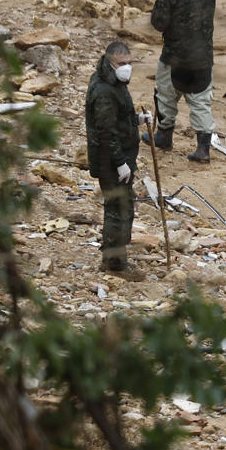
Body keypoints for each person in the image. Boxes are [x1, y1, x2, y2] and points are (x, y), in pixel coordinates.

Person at [149, 0, 217, 163]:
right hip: (203, 57)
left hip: (175, 57)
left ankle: (163, 136)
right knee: (200, 101)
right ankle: (203, 149)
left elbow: (159, 23)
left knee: (166, 96)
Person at [84, 40, 143, 280]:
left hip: (120, 156)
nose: (126, 68)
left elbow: (118, 118)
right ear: (110, 62)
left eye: (129, 63)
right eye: (121, 64)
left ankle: (115, 256)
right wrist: (120, 162)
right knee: (117, 209)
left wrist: (137, 119)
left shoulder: (114, 81)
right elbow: (105, 132)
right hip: (111, 160)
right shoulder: (104, 91)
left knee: (123, 205)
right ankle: (115, 263)